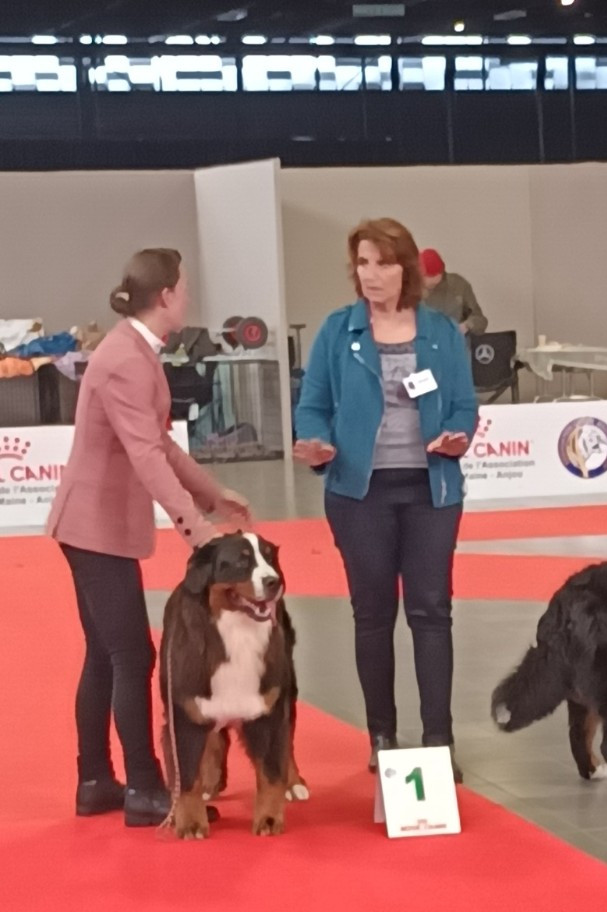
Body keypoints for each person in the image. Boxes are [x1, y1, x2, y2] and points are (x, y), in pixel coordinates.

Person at [47, 248, 252, 826]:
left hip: (95, 527)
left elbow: (158, 443)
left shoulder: (135, 351)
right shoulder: (125, 359)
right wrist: (199, 531)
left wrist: (212, 494)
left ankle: (95, 781)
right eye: (184, 287)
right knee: (132, 655)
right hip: (94, 530)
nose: (187, 296)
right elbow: (146, 457)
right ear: (165, 295)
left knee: (109, 655)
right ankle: (141, 786)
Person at [294, 219, 479, 781]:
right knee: (372, 614)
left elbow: (464, 406)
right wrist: (318, 443)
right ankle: (381, 735)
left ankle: (438, 739)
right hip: (359, 493)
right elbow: (312, 405)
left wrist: (456, 436)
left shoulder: (442, 333)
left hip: (432, 489)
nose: (371, 275)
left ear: (407, 269)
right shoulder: (336, 331)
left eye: (383, 263)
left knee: (432, 612)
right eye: (363, 264)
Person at [420, 248, 489, 336]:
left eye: (435, 275)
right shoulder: (407, 290)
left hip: (454, 345)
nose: (431, 280)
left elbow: (480, 320)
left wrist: (467, 325)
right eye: (426, 276)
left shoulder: (458, 286)